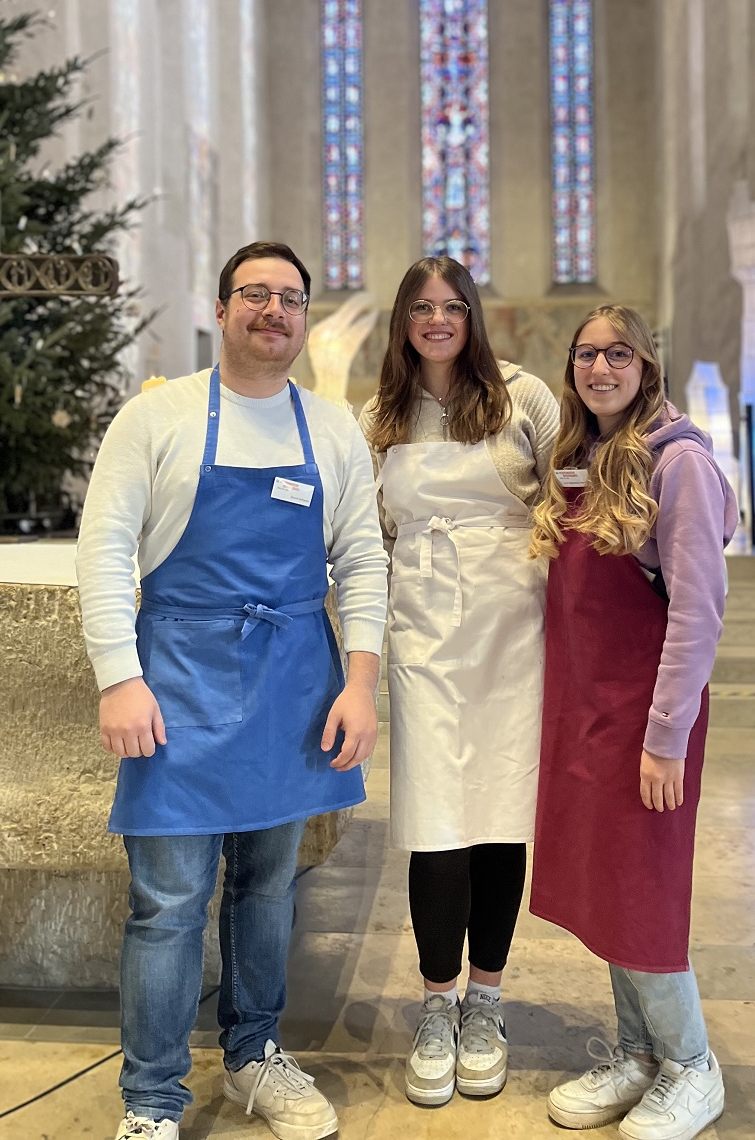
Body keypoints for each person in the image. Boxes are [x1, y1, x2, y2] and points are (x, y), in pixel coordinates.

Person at [76, 241, 388, 1140]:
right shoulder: (157, 418)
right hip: (174, 683)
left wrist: (359, 684)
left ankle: (254, 1055)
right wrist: (119, 679)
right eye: (255, 294)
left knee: (269, 888)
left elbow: (362, 561)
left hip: (293, 687)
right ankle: (152, 1100)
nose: (274, 311)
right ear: (221, 311)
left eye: (291, 298)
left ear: (303, 319)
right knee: (169, 903)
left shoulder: (330, 429)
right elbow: (104, 551)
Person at [529, 304, 738, 1140]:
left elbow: (696, 613)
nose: (600, 368)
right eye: (586, 354)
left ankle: (691, 1063)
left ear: (646, 365)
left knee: (645, 888)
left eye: (618, 354)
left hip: (647, 717)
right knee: (608, 885)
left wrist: (664, 737)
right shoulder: (578, 458)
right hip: (587, 711)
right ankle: (637, 1052)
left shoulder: (677, 463)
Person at [359, 255, 559, 1108]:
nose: (437, 320)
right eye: (421, 307)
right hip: (425, 628)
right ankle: (436, 1003)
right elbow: (364, 533)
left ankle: (486, 999)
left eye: (451, 306)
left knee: (499, 815)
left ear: (472, 316)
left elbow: (573, 493)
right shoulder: (377, 415)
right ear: (403, 321)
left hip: (513, 623)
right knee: (435, 817)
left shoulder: (525, 398)